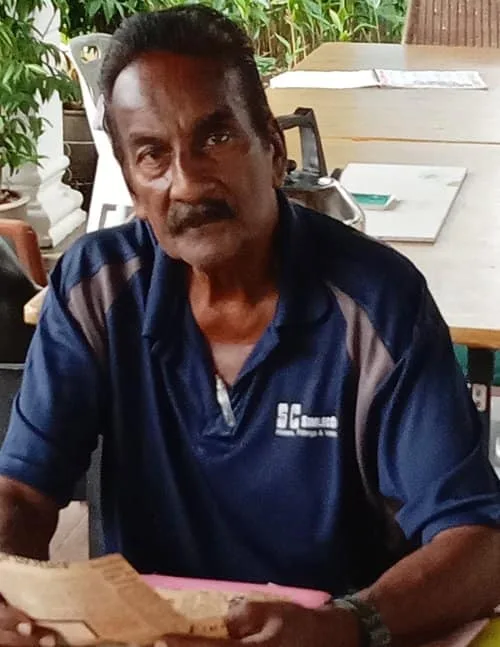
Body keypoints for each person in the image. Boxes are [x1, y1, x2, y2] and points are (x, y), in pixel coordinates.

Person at [0, 5, 498, 647]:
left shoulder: (378, 304)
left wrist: (349, 624)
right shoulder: (95, 287)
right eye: (152, 155)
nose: (188, 183)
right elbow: (22, 491)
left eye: (215, 138)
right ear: (131, 183)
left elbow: (480, 543)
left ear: (273, 149)